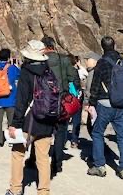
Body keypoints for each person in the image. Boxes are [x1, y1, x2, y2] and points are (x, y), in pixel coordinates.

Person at [7, 40, 54, 195]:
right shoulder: (49, 72)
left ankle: (15, 189)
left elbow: (21, 101)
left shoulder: (26, 72)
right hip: (47, 120)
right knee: (43, 158)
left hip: (29, 121)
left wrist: (15, 124)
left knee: (18, 153)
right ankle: (44, 191)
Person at [87, 37, 123, 180]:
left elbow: (95, 85)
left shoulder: (101, 63)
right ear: (114, 45)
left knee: (97, 133)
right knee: (122, 137)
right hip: (122, 105)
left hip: (105, 104)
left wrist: (91, 103)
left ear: (103, 47)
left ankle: (100, 166)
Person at [41, 36, 81, 174]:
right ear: (52, 46)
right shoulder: (63, 59)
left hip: (44, 102)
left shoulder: (39, 61)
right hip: (61, 100)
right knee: (61, 132)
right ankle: (57, 164)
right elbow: (73, 77)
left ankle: (37, 161)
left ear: (44, 47)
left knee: (42, 132)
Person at [0, 48, 21, 148]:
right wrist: (16, 65)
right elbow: (19, 75)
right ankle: (11, 140)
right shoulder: (12, 68)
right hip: (10, 98)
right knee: (11, 120)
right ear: (8, 57)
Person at [69, 55, 88, 149]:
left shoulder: (63, 71)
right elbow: (86, 74)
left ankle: (61, 138)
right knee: (76, 119)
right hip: (76, 98)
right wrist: (79, 66)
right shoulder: (77, 71)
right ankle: (74, 140)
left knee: (63, 120)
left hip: (66, 98)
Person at [83, 52, 100, 137]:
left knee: (92, 127)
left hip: (93, 103)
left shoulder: (92, 72)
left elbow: (88, 89)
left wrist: (87, 103)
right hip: (97, 102)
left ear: (94, 61)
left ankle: (101, 148)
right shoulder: (96, 71)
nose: (86, 62)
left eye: (88, 60)